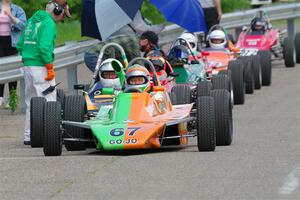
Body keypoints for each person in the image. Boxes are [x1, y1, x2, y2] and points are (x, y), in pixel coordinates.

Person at [16, 0, 71, 145]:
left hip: (28, 65)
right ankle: (50, 136)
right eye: (62, 16)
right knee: (49, 101)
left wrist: (27, 56)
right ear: (57, 11)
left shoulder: (31, 20)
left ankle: (29, 135)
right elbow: (44, 47)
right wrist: (49, 66)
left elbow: (21, 43)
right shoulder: (49, 23)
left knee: (31, 102)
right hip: (40, 67)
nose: (61, 19)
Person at [0, 0, 26, 107]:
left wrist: (11, 16)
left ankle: (12, 99)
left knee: (12, 68)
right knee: (0, 68)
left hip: (13, 42)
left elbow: (23, 25)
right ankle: (0, 98)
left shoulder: (17, 9)